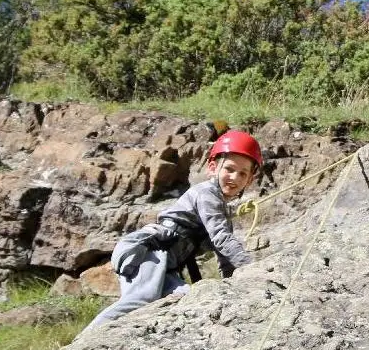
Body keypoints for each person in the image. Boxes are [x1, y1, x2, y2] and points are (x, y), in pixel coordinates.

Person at [84, 130, 262, 332]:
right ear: (212, 167)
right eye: (229, 169)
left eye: (243, 173)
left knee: (185, 298)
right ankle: (83, 342)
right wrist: (253, 270)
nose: (234, 178)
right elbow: (222, 239)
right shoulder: (207, 193)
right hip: (150, 253)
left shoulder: (220, 209)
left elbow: (225, 259)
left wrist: (236, 285)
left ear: (249, 181)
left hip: (166, 266)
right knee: (141, 299)